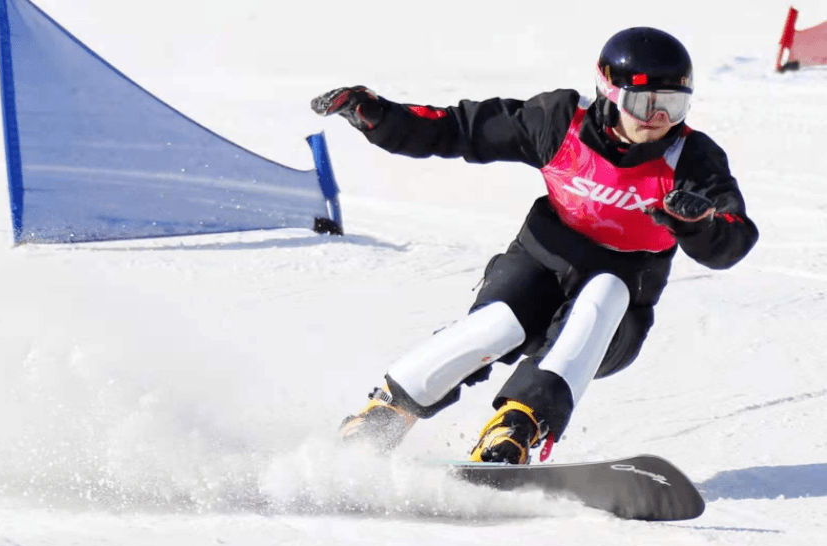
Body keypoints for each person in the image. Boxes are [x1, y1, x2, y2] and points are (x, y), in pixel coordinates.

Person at [311, 27, 759, 464]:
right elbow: (460, 129)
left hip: (617, 312)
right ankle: (384, 413)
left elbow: (734, 235)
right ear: (609, 92)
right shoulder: (561, 122)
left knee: (606, 291)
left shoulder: (691, 158)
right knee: (497, 326)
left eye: (673, 105)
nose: (658, 119)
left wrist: (699, 226)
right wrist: (380, 117)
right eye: (644, 103)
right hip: (538, 270)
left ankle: (517, 427)